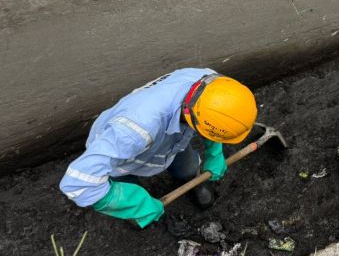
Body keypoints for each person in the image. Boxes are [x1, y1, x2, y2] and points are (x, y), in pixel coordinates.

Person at [59, 69, 258, 228]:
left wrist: (215, 153)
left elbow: (215, 121)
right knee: (126, 184)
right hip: (123, 158)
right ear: (191, 117)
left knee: (187, 168)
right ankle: (136, 211)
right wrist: (135, 204)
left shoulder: (212, 85)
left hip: (173, 138)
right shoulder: (134, 131)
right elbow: (77, 183)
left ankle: (192, 179)